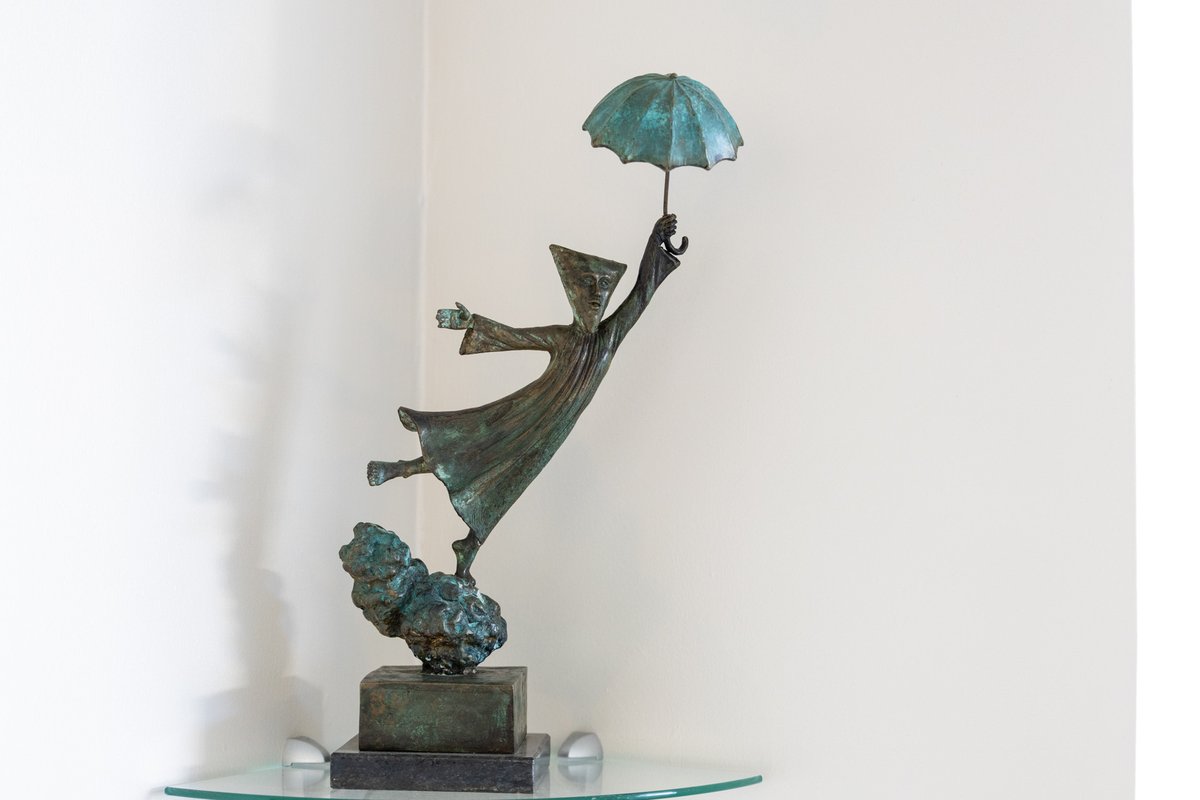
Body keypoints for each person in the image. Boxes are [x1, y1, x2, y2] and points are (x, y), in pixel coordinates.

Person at [368, 214, 684, 582]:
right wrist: (472, 322)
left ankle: (468, 548)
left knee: (508, 483)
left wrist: (655, 241)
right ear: (573, 294)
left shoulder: (609, 336)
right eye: (588, 287)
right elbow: (513, 336)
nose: (597, 296)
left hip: (550, 432)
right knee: (474, 445)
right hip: (526, 412)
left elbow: (642, 293)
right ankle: (400, 468)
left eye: (603, 288)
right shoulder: (562, 338)